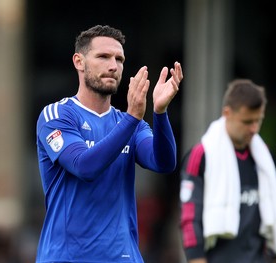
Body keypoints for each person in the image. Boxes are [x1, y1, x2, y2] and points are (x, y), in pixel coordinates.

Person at [35, 24, 183, 263]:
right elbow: (85, 166)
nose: (113, 66)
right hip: (67, 257)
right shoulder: (57, 116)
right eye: (103, 57)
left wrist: (159, 112)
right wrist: (132, 117)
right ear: (79, 62)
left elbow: (164, 162)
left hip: (123, 257)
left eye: (119, 59)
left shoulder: (129, 123)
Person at [179, 79, 276, 263]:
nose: (254, 129)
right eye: (247, 122)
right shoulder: (201, 155)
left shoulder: (264, 159)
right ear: (227, 113)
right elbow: (190, 221)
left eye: (258, 120)